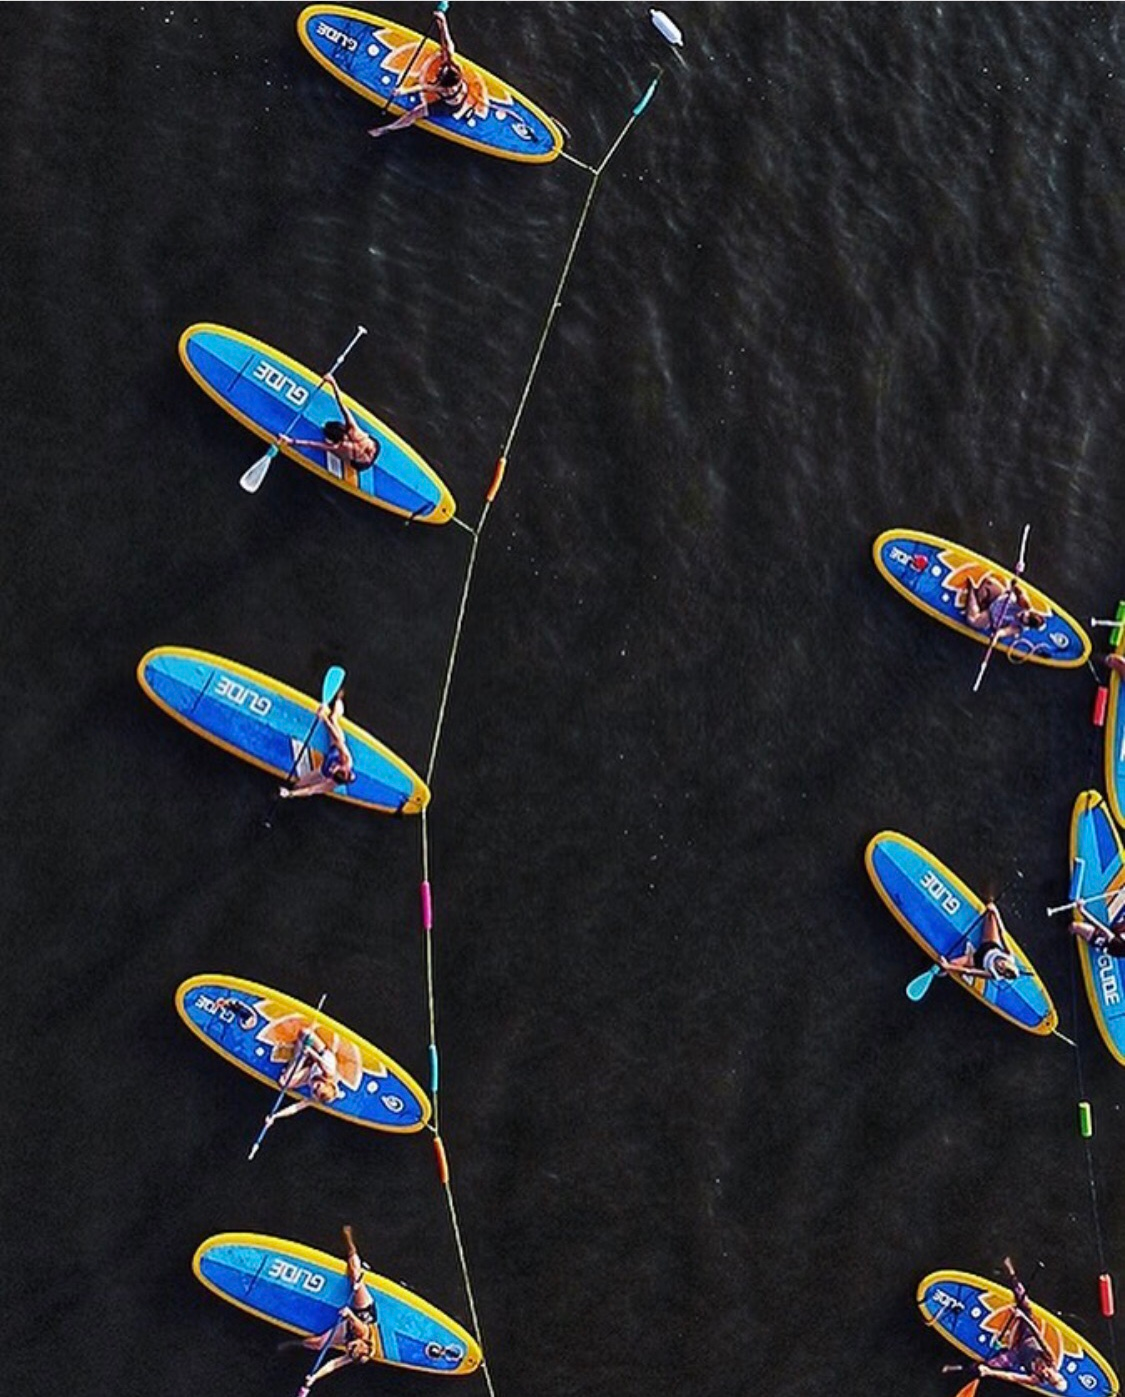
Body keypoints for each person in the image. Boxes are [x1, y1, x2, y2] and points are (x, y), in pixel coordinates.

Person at [941, 1258, 1066, 1389]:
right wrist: (1023, 1317)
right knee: (1026, 1304)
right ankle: (1011, 1272)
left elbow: (1011, 1377)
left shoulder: (1036, 1379)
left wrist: (990, 1372)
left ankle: (957, 1368)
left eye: (1048, 1379)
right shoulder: (1050, 1359)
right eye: (1051, 1375)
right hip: (1028, 1336)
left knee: (990, 1364)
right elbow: (1039, 1337)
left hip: (1017, 1354)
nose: (1046, 1374)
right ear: (1055, 1371)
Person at [297, 1227, 383, 1395]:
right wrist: (349, 1313)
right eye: (351, 1347)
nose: (348, 1348)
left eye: (349, 1349)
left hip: (348, 1327)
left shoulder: (356, 1354)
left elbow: (333, 1365)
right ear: (362, 1345)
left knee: (318, 1345)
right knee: (354, 1277)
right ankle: (349, 1241)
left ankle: (295, 1342)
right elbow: (358, 1325)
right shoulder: (363, 1336)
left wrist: (313, 1379)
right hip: (364, 1314)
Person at [369, 9, 472, 137]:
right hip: (459, 91)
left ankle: (386, 129)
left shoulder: (443, 89)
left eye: (441, 73)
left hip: (450, 107)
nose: (440, 70)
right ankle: (441, 25)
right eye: (442, 70)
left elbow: (422, 87)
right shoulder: (455, 68)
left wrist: (402, 91)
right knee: (446, 52)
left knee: (415, 113)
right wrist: (443, 22)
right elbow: (449, 44)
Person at [280, 375, 379, 472]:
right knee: (367, 446)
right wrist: (333, 383)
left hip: (361, 462)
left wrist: (291, 441)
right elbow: (341, 405)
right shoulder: (353, 429)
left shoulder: (338, 447)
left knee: (349, 456)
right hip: (372, 450)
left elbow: (313, 444)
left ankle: (355, 457)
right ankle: (365, 451)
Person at [279, 692, 357, 799]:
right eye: (339, 769)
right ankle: (339, 698)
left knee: (298, 785)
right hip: (334, 746)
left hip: (321, 771)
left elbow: (312, 790)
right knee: (333, 718)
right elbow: (338, 740)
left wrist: (290, 794)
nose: (335, 768)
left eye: (335, 771)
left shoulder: (331, 783)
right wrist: (324, 718)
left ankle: (289, 793)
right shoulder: (346, 760)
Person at [268, 1028, 343, 1119]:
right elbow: (319, 1060)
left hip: (309, 1070)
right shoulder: (329, 1072)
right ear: (326, 1082)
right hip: (319, 1056)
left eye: (315, 1091)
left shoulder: (316, 1097)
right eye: (318, 1086)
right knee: (305, 1033)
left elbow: (296, 1108)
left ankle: (302, 1056)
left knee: (284, 1082)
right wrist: (308, 1049)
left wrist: (275, 1116)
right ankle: (304, 1050)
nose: (314, 1086)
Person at [939, 902, 1020, 984]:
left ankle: (946, 970)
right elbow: (1002, 933)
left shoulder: (993, 974)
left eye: (1000, 969)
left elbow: (969, 971)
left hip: (976, 959)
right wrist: (996, 912)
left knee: (952, 963)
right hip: (990, 943)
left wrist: (948, 966)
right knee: (990, 915)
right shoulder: (1009, 955)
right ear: (1007, 962)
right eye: (1003, 965)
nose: (1000, 965)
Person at [961, 573, 1048, 645]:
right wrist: (1015, 586)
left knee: (973, 621)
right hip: (1000, 598)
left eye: (1021, 619)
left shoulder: (1018, 628)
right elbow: (1019, 591)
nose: (1018, 616)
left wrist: (996, 637)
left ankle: (971, 589)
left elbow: (1003, 632)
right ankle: (980, 600)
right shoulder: (1025, 605)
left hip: (991, 614)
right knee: (988, 582)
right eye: (1022, 614)